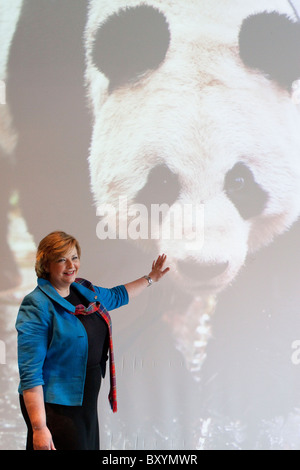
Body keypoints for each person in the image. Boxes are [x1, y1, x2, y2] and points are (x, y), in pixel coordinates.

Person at [16, 231, 170, 450]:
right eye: (61, 259)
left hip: (84, 401)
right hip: (56, 406)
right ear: (46, 265)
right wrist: (40, 428)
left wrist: (151, 278)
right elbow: (30, 373)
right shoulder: (37, 305)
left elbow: (117, 296)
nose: (71, 265)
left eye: (74, 257)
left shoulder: (83, 291)